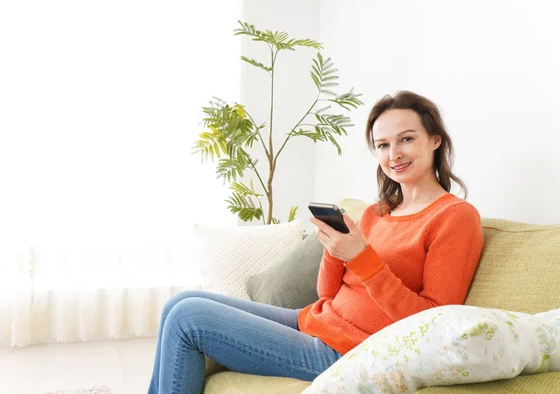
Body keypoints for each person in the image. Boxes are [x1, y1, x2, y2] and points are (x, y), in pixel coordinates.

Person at [147, 91, 484, 394]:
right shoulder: (376, 213)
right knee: (180, 302)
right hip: (317, 320)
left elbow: (433, 324)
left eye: (406, 139)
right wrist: (335, 249)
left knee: (189, 317)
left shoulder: (455, 217)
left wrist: (363, 258)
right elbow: (327, 292)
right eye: (382, 145)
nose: (394, 154)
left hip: (351, 351)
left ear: (435, 141)